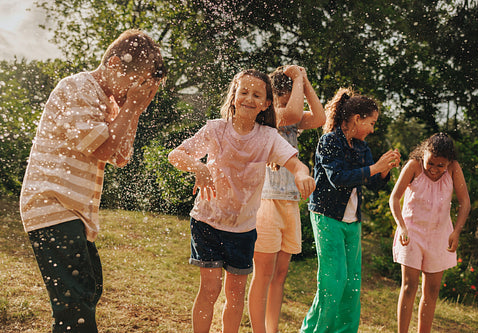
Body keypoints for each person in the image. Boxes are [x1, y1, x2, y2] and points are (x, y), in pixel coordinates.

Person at [19, 29, 166, 332]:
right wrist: (131, 108)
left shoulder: (111, 103)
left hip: (74, 212)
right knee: (76, 305)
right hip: (52, 206)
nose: (133, 93)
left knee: (89, 290)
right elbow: (100, 146)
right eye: (135, 83)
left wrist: (132, 110)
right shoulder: (78, 87)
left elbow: (121, 155)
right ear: (113, 63)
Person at [168, 69, 316, 333]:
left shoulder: (269, 137)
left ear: (266, 104)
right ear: (234, 96)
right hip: (207, 221)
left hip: (244, 228)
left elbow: (296, 164)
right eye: (244, 92)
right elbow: (176, 155)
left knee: (235, 295)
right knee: (210, 288)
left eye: (257, 94)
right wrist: (197, 167)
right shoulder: (216, 129)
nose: (249, 98)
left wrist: (303, 174)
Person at [301, 87, 401, 333]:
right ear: (357, 119)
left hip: (352, 220)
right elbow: (338, 178)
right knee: (333, 281)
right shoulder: (329, 141)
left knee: (352, 283)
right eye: (371, 123)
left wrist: (384, 170)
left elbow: (373, 182)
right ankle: (313, 330)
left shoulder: (362, 147)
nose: (373, 129)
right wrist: (375, 168)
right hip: (327, 216)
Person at [248, 65, 325, 333]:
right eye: (284, 96)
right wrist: (298, 79)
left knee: (280, 275)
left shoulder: (292, 121)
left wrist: (304, 81)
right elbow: (291, 112)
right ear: (274, 97)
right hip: (267, 200)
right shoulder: (267, 116)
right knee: (264, 273)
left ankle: (272, 329)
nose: (289, 102)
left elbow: (319, 117)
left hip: (290, 202)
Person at [389, 133, 470, 333]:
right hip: (412, 233)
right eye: (430, 163)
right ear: (424, 154)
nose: (434, 169)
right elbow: (394, 198)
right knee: (409, 286)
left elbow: (465, 203)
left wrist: (456, 231)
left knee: (432, 291)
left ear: (449, 162)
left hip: (439, 235)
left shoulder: (454, 169)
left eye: (440, 165)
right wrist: (402, 226)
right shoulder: (413, 166)